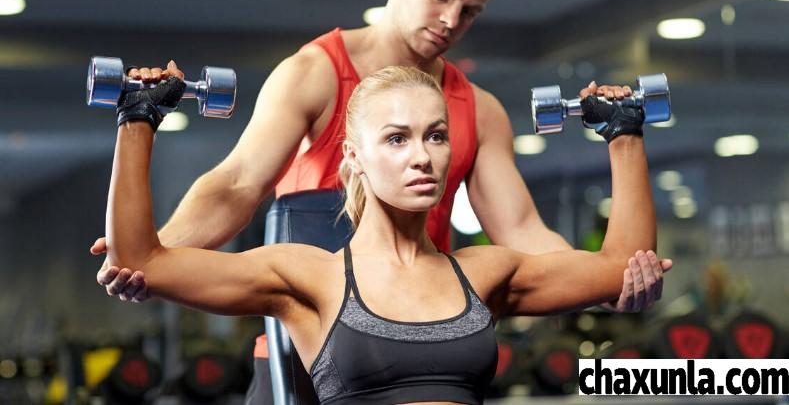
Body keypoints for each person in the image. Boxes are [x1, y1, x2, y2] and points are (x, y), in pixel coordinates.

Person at [91, 0, 671, 400]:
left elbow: (521, 228)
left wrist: (602, 281)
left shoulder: (479, 109)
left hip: (430, 320)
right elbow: (238, 184)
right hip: (312, 331)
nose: (451, 21)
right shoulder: (315, 72)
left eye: (470, 11)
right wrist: (151, 252)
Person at [105, 65, 658, 405]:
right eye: (397, 139)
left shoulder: (486, 272)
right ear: (354, 157)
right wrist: (138, 117)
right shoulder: (309, 277)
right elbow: (144, 261)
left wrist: (623, 131)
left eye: (436, 136)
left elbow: (621, 266)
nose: (423, 157)